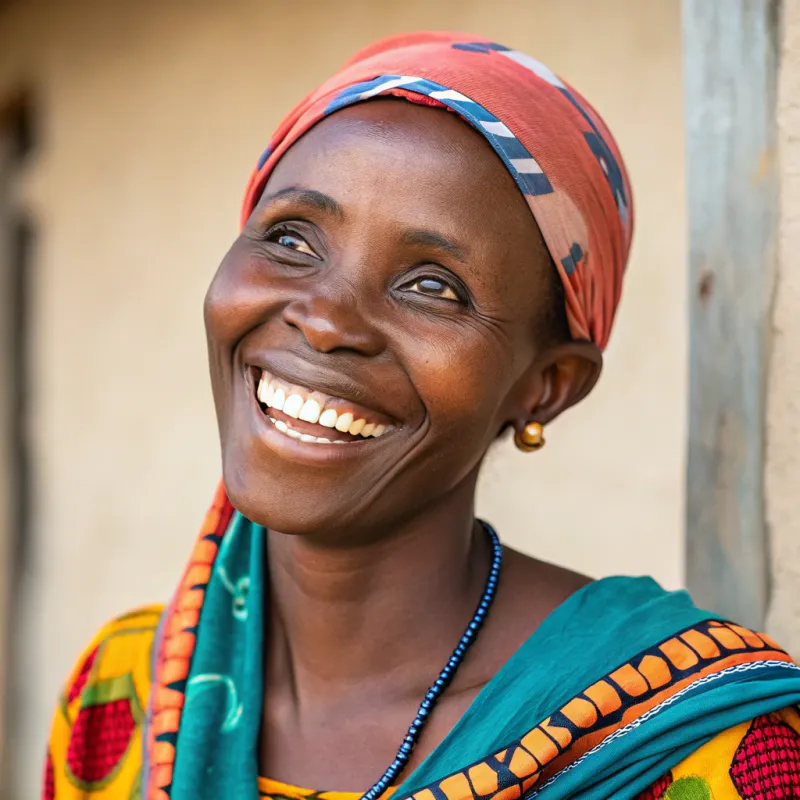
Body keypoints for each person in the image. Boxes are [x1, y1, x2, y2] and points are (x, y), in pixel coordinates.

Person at [44, 31, 800, 800]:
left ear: (548, 385)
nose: (326, 319)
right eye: (291, 238)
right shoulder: (119, 698)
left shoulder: (702, 751)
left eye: (433, 286)